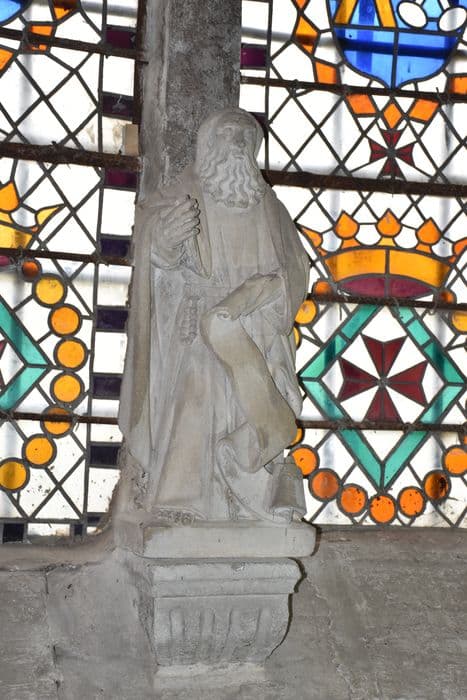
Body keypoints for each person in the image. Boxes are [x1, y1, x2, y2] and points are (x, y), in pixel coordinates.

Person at [119, 108, 309, 522]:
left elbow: (296, 269)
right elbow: (155, 258)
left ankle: (251, 503)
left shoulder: (271, 207)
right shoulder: (182, 197)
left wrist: (266, 293)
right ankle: (182, 501)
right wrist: (165, 243)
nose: (237, 143)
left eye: (246, 137)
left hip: (257, 326)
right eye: (227, 134)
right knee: (197, 392)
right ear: (207, 145)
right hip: (200, 323)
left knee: (258, 402)